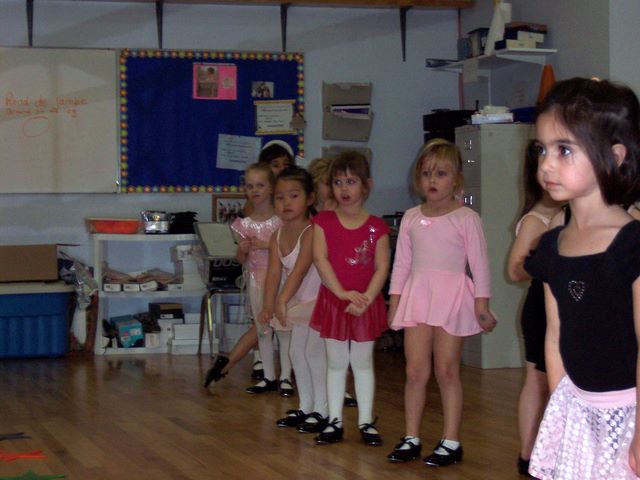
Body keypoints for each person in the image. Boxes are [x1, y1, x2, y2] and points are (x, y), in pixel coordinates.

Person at [524, 77, 640, 479]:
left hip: (629, 410)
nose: (546, 165)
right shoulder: (551, 247)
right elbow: (554, 337)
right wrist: (562, 411)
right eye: (542, 149)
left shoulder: (632, 245)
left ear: (615, 156)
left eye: (564, 150)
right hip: (578, 410)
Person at [385, 139, 497, 466]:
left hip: (452, 298)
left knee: (446, 370)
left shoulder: (466, 218)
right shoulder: (410, 217)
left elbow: (480, 265)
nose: (432, 180)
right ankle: (411, 437)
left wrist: (481, 305)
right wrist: (394, 301)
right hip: (418, 296)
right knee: (415, 371)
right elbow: (401, 264)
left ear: (457, 179)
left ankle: (451, 440)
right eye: (426, 173)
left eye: (441, 173)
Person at [309, 151, 390, 446]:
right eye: (338, 182)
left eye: (351, 181)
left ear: (367, 185)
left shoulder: (377, 226)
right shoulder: (323, 221)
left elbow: (382, 267)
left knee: (363, 361)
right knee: (335, 362)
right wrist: (341, 293)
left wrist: (367, 298)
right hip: (335, 301)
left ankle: (366, 421)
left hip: (365, 304)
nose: (344, 189)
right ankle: (335, 420)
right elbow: (320, 259)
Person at [206, 143, 295, 387]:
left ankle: (285, 377)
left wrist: (267, 245)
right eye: (250, 186)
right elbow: (240, 259)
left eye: (260, 185)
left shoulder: (282, 221)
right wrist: (242, 250)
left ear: (271, 187)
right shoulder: (243, 225)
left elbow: (289, 250)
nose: (254, 190)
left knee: (284, 328)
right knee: (262, 328)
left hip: (280, 279)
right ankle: (268, 376)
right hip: (256, 281)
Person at [507, 141, 563, 476]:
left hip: (565, 304)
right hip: (542, 306)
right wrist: (546, 256)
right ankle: (528, 453)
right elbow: (515, 270)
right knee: (537, 379)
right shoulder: (536, 219)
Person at [259, 166, 328, 429]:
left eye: (294, 196)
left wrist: (281, 301)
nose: (286, 202)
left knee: (313, 353)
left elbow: (299, 271)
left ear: (310, 198)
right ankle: (306, 406)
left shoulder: (312, 231)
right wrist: (268, 305)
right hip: (299, 302)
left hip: (319, 301)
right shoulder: (277, 235)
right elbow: (273, 273)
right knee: (296, 352)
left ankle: (322, 409)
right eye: (280, 197)